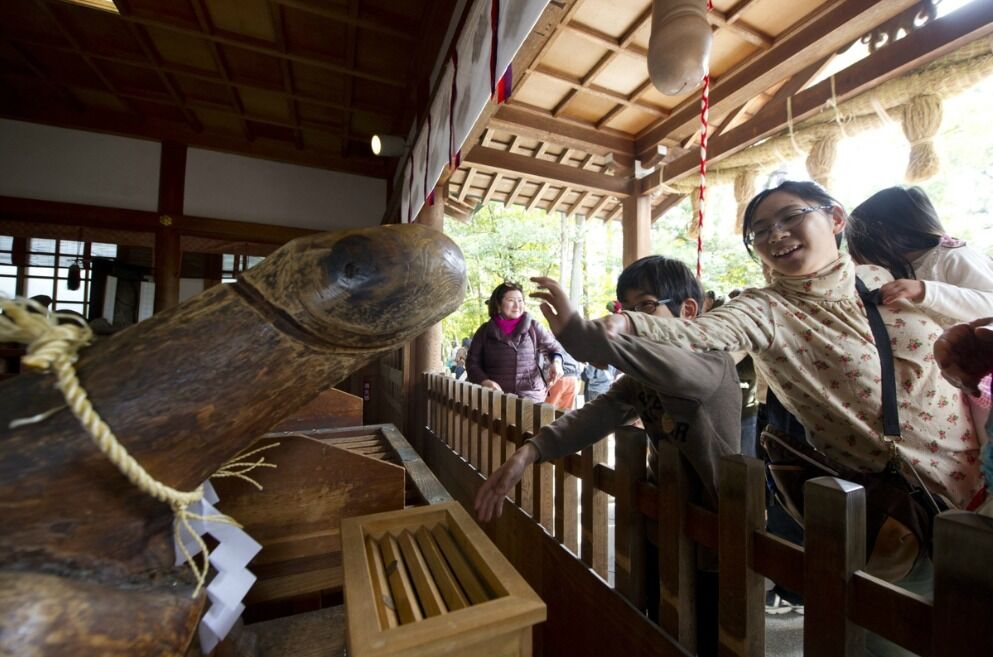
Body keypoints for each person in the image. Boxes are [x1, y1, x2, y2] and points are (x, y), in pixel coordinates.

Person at [532, 181, 983, 655]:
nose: (776, 234)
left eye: (790, 217)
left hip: (978, 488)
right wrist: (626, 326)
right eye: (760, 229)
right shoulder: (765, 308)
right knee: (899, 637)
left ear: (835, 218)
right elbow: (706, 333)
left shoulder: (882, 277)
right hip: (896, 513)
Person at [476, 256, 741, 657]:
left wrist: (578, 332)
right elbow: (593, 416)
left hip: (718, 534)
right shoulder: (641, 381)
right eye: (627, 310)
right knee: (658, 624)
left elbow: (645, 360)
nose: (633, 318)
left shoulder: (710, 363)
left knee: (707, 636)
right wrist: (528, 453)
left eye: (646, 306)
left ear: (688, 310)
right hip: (662, 522)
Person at [846, 185, 993, 430]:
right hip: (949, 379)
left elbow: (989, 304)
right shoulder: (897, 271)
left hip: (981, 370)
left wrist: (926, 291)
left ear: (882, 233)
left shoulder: (951, 255)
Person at [466, 281, 564, 403]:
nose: (517, 306)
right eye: (511, 300)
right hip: (496, 399)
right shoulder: (484, 331)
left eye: (520, 300)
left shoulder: (533, 327)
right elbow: (472, 363)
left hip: (531, 398)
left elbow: (554, 349)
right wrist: (484, 381)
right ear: (498, 304)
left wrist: (557, 362)